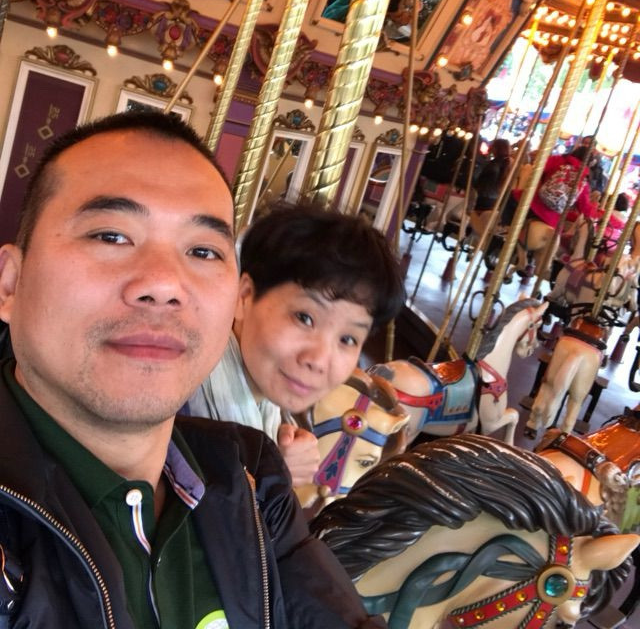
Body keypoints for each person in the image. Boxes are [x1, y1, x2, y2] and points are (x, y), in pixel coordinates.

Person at [0, 110, 386, 628]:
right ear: (10, 282)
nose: (164, 283)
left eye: (203, 251)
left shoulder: (249, 477)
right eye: (110, 236)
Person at [183, 204, 406, 486]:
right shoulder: (175, 402)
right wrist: (268, 477)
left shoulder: (271, 418)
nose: (319, 359)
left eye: (347, 339)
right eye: (304, 318)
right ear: (244, 296)